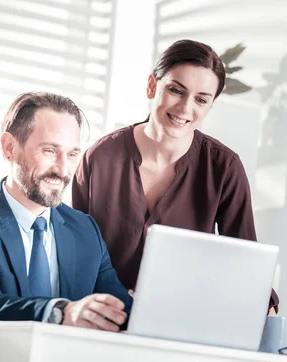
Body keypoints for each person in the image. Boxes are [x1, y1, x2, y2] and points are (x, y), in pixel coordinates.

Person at [71, 39, 279, 312]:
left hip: (181, 319)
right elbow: (75, 253)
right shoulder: (99, 157)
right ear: (151, 86)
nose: (184, 109)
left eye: (201, 99)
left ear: (210, 106)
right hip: (100, 318)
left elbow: (245, 264)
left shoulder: (224, 168)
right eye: (176, 90)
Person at [0, 92, 132, 330]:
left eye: (72, 154)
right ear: (9, 148)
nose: (63, 170)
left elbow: (121, 312)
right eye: (49, 151)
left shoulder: (85, 231)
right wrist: (60, 312)